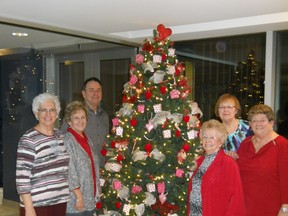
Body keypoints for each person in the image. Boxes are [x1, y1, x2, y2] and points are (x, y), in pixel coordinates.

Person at [16, 93, 70, 216]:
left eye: (52, 110)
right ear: (36, 113)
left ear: (57, 113)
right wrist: (29, 208)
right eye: (43, 110)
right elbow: (22, 178)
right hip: (37, 204)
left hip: (60, 201)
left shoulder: (60, 136)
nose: (48, 114)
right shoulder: (28, 140)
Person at [237, 104, 288, 216]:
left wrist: (285, 208)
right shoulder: (245, 143)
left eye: (262, 120)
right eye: (254, 121)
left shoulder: (282, 145)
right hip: (245, 207)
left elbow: (286, 179)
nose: (258, 124)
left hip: (272, 208)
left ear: (271, 122)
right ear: (250, 124)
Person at [187, 119, 246, 216]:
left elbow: (237, 198)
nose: (207, 141)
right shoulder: (199, 161)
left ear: (220, 141)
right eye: (205, 137)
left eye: (212, 137)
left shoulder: (228, 163)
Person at [61, 77, 109, 167]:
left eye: (98, 90)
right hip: (82, 169)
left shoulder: (104, 115)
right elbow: (63, 140)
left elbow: (106, 142)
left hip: (102, 167)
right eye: (91, 90)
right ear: (84, 94)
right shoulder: (74, 114)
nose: (95, 94)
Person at [63, 101, 100, 216]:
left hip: (89, 196)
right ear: (69, 121)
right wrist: (78, 197)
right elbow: (69, 171)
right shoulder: (67, 140)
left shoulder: (87, 139)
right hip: (76, 201)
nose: (80, 121)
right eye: (76, 118)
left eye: (83, 117)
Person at [214, 93, 253, 159]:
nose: (225, 110)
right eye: (222, 107)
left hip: (244, 167)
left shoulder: (248, 127)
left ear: (236, 110)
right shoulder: (214, 130)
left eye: (229, 107)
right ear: (218, 110)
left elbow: (254, 151)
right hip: (222, 168)